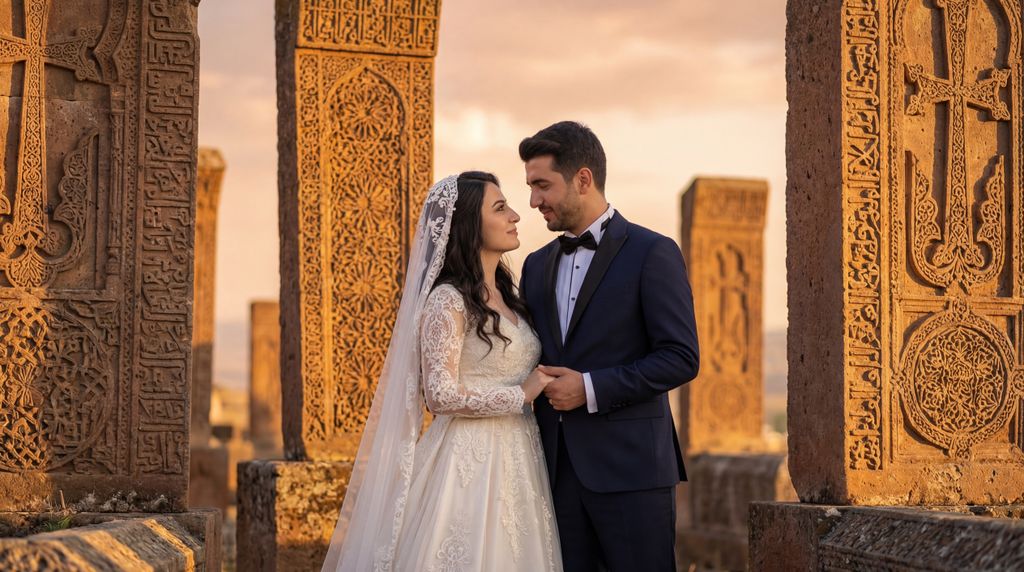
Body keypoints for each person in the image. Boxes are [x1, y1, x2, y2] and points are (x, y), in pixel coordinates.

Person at [322, 172, 563, 571]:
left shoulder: (512, 297)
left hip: (521, 457)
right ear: (469, 224)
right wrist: (521, 394)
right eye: (500, 208)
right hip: (468, 462)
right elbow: (440, 395)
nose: (517, 215)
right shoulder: (447, 301)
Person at [519, 121, 700, 571]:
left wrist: (591, 388)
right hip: (554, 474)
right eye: (530, 187)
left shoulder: (652, 252)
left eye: (543, 185)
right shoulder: (535, 265)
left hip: (633, 471)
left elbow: (681, 357)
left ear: (583, 179)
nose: (533, 201)